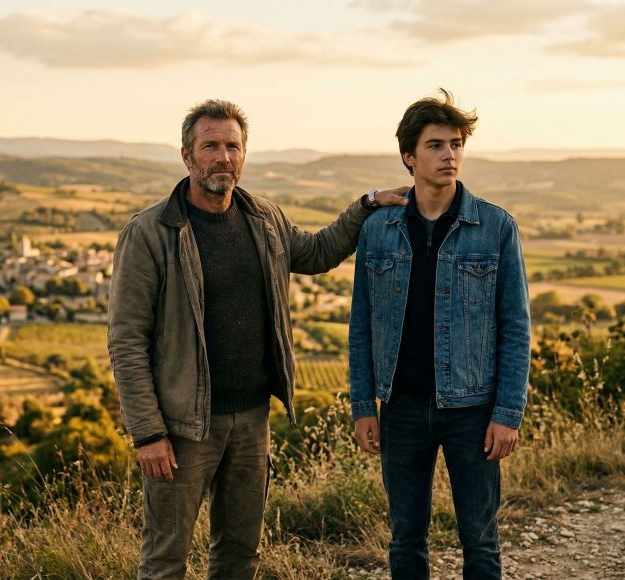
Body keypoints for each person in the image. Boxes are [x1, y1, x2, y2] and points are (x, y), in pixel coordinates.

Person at [108, 98, 408, 580]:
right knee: (165, 561)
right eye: (210, 146)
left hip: (251, 419)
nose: (223, 157)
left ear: (244, 154)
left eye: (232, 146)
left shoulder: (264, 218)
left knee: (240, 554)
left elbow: (317, 251)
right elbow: (126, 342)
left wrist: (366, 205)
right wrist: (148, 433)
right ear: (187, 156)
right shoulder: (149, 233)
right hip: (183, 427)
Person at [348, 89, 531, 579]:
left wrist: (507, 414)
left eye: (455, 144)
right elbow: (361, 324)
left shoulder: (494, 226)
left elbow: (516, 327)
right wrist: (364, 405)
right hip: (402, 407)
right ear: (409, 156)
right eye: (435, 145)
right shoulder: (379, 229)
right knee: (406, 539)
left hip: (473, 410)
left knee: (480, 540)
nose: (449, 154)